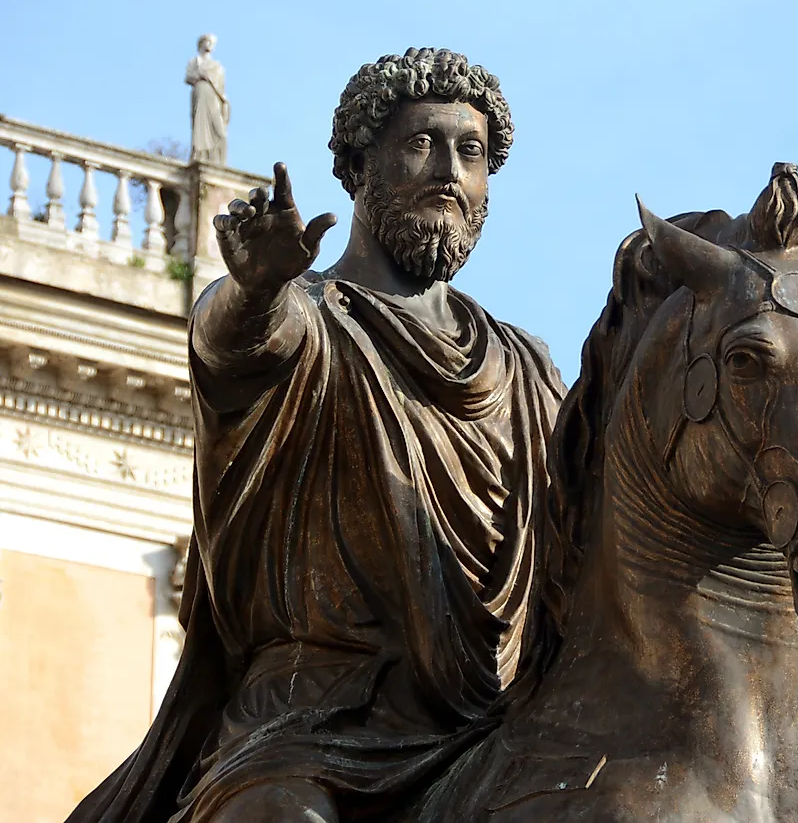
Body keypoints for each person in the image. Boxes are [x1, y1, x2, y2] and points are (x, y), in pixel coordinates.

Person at [69, 48, 565, 823]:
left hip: (492, 722)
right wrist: (255, 288)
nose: (449, 172)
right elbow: (230, 345)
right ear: (358, 167)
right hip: (314, 722)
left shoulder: (527, 369)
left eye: (471, 153)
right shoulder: (307, 318)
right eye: (422, 143)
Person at [185, 34, 229, 165]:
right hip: (201, 92)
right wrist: (201, 76)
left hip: (214, 97)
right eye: (208, 41)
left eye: (212, 43)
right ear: (201, 43)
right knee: (200, 126)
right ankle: (200, 155)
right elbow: (188, 77)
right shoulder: (195, 61)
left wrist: (224, 101)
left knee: (220, 132)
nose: (210, 45)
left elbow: (221, 86)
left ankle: (217, 159)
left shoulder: (217, 66)